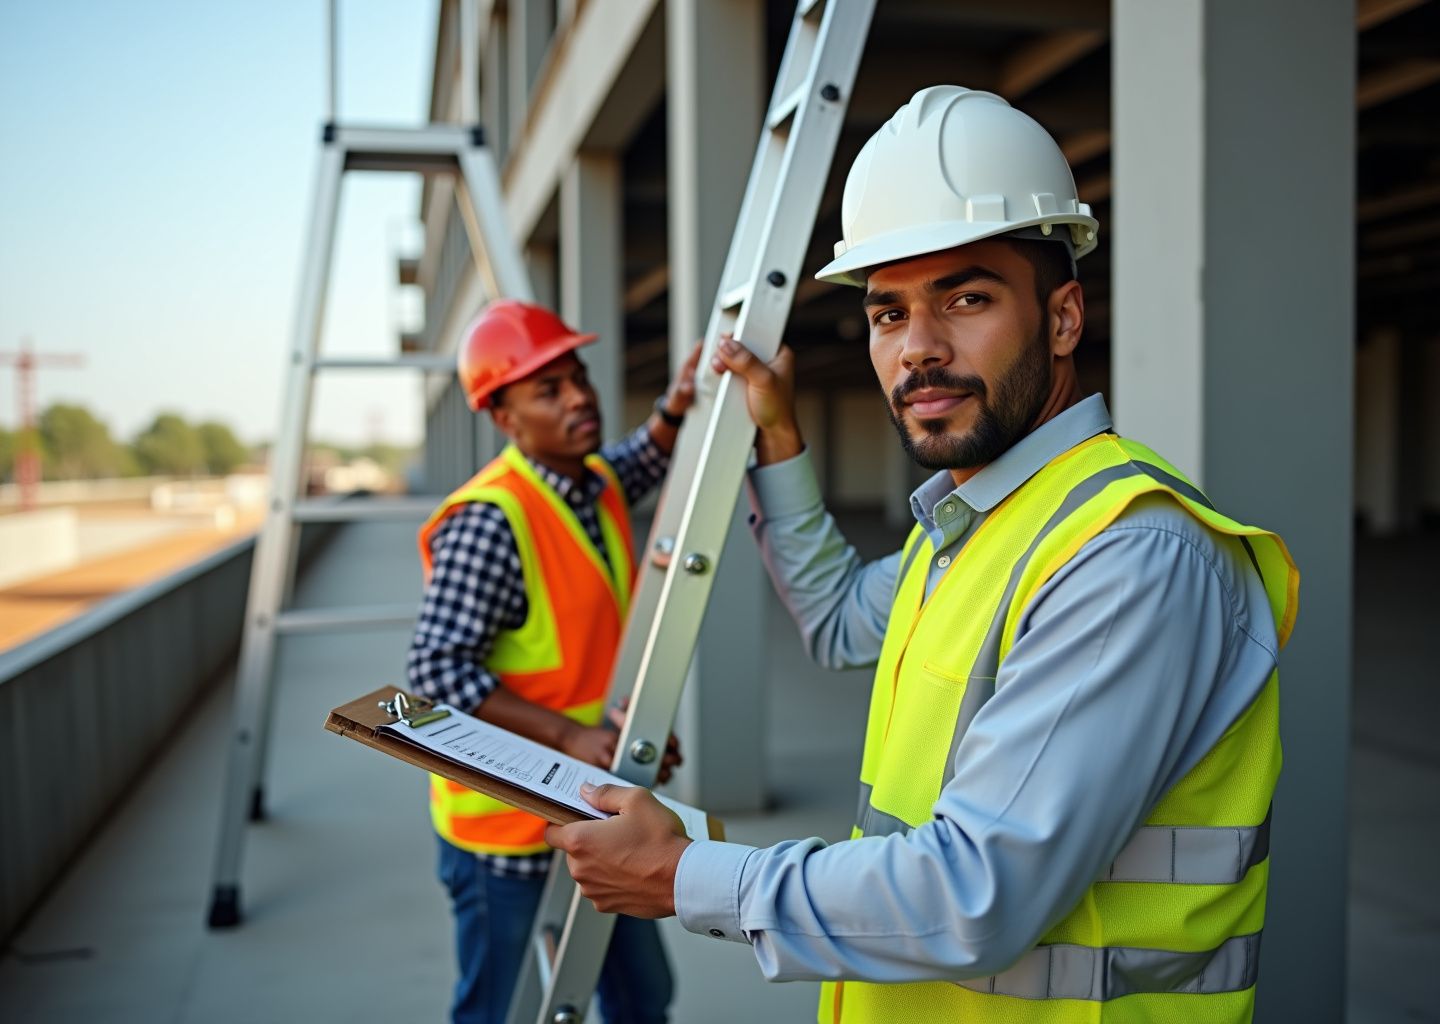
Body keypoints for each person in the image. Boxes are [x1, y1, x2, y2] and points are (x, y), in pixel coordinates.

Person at [544, 85, 1299, 1023]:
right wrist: (774, 436)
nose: (918, 351)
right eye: (888, 313)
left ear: (1063, 319)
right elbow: (835, 620)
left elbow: (979, 892)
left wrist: (689, 875)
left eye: (967, 298)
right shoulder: (984, 526)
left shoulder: (1128, 553)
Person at [408, 298, 697, 1024]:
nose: (580, 398)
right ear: (505, 419)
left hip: (592, 802)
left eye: (580, 378)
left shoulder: (583, 482)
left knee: (641, 997)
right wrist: (573, 738)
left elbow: (631, 466)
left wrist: (674, 409)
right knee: (499, 1006)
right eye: (550, 390)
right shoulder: (490, 521)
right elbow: (434, 673)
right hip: (504, 826)